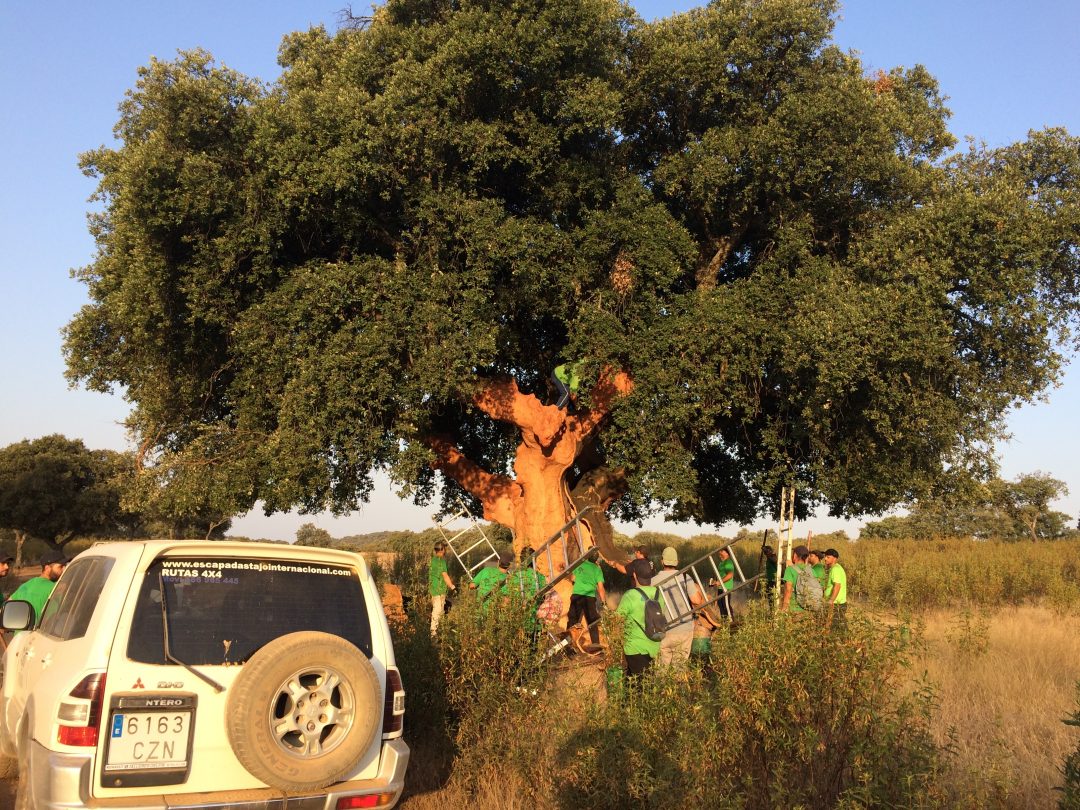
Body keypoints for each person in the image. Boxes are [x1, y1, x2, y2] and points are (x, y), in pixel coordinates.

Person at [616, 558, 665, 681]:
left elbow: (616, 620)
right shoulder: (658, 593)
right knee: (638, 683)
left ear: (634, 575)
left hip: (635, 648)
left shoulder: (630, 595)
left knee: (640, 687)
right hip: (654, 645)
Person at [654, 546, 694, 665]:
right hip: (684, 628)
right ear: (677, 562)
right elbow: (696, 600)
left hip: (662, 630)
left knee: (661, 670)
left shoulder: (653, 581)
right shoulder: (686, 577)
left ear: (662, 561)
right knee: (679, 669)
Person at [9, 552, 66, 625]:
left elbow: (6, 608)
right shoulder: (57, 588)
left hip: (21, 635)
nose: (64, 569)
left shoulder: (26, 585)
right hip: (42, 634)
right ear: (47, 568)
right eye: (60, 567)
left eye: (65, 566)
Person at [567, 549, 607, 650]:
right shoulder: (597, 569)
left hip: (577, 595)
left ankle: (568, 644)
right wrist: (603, 602)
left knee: (573, 620)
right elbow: (601, 588)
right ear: (596, 558)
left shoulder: (579, 564)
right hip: (589, 597)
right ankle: (595, 644)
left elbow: (572, 578)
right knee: (592, 620)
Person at [429, 541, 456, 636]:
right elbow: (445, 575)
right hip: (439, 590)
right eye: (445, 548)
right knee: (437, 611)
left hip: (433, 589)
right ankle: (433, 633)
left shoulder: (433, 560)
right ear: (442, 550)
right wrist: (452, 586)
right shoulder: (441, 561)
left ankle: (436, 630)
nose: (446, 550)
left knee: (438, 610)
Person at [780, 545, 813, 614]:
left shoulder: (790, 570)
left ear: (795, 555)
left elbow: (788, 590)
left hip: (794, 609)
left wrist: (784, 608)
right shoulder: (811, 570)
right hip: (808, 609)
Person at [823, 548, 848, 628]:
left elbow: (837, 586)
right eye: (825, 556)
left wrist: (831, 600)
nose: (825, 558)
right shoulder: (834, 568)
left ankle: (847, 640)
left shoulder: (835, 569)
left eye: (828, 557)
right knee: (838, 625)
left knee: (836, 626)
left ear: (835, 558)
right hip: (836, 603)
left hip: (837, 604)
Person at [710, 547, 736, 619]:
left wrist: (720, 582)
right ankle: (725, 623)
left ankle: (731, 622)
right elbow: (720, 575)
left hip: (726, 587)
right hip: (720, 587)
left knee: (726, 605)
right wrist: (715, 582)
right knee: (720, 605)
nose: (720, 552)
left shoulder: (728, 562)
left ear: (727, 553)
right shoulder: (721, 563)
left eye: (722, 551)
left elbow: (730, 575)